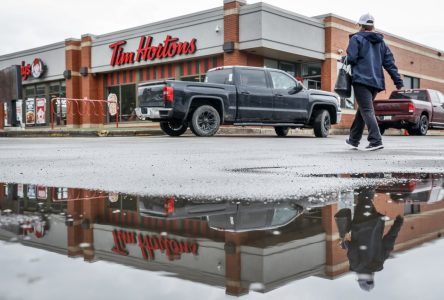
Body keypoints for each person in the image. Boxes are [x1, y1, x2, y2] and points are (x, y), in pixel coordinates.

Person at [345, 13, 404, 151]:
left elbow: (352, 58)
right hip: (376, 83)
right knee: (363, 109)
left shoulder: (356, 38)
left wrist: (345, 58)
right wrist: (398, 82)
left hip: (361, 80)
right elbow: (389, 63)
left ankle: (376, 140)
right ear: (372, 26)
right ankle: (353, 140)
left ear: (360, 25)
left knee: (366, 109)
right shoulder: (381, 43)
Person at [337, 187, 404, 291]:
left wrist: (398, 224)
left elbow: (389, 240)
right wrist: (344, 244)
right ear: (361, 279)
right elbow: (353, 247)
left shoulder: (379, 262)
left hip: (375, 221)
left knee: (365, 197)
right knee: (365, 195)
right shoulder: (357, 266)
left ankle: (363, 177)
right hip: (361, 224)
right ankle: (373, 175)